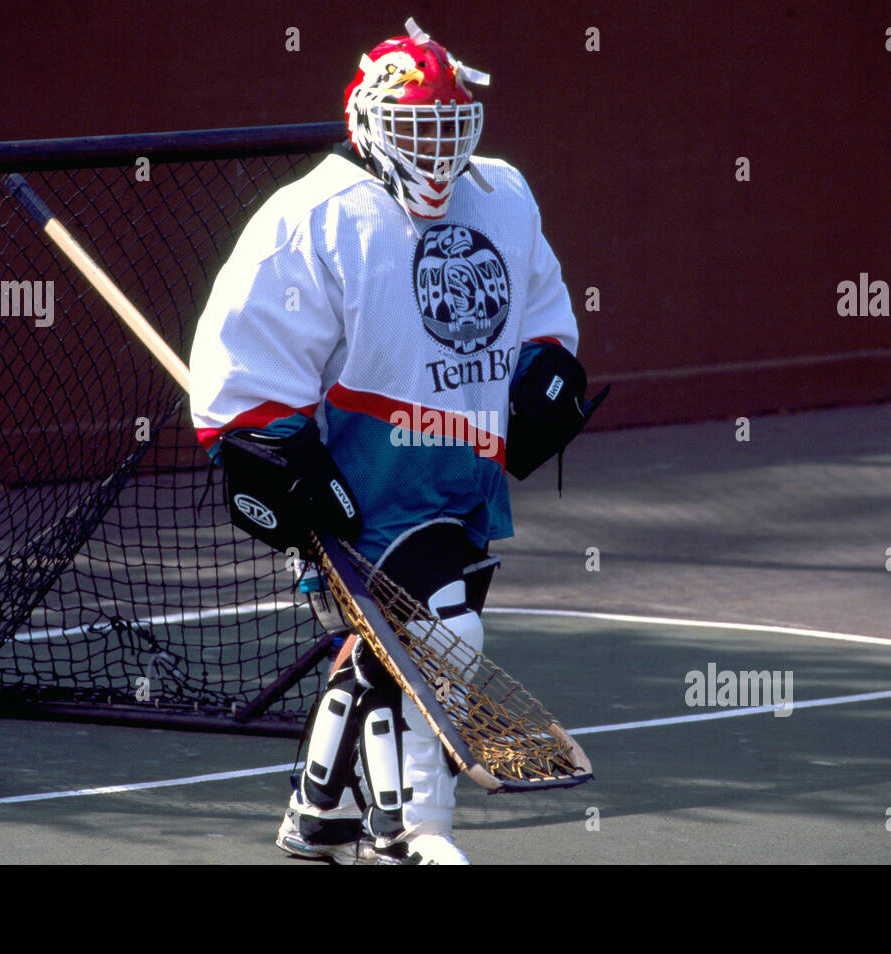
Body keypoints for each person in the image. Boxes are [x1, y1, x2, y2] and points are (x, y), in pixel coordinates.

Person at [189, 18, 604, 864]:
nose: (438, 150)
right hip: (362, 479)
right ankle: (414, 832)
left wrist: (547, 373)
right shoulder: (314, 216)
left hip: (463, 472)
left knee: (392, 650)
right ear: (367, 125)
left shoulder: (504, 196)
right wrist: (272, 454)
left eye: (451, 126)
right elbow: (244, 357)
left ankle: (318, 817)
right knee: (441, 636)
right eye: (417, 127)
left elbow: (540, 309)